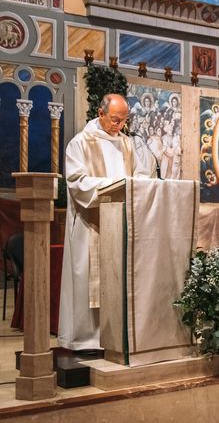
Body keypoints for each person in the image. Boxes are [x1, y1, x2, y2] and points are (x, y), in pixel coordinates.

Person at [59, 94, 154, 351]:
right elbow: (77, 182)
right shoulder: (80, 143)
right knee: (87, 278)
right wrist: (114, 187)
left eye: (123, 120)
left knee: (119, 279)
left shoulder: (128, 144)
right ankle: (85, 339)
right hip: (91, 224)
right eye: (114, 119)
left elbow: (141, 177)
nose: (119, 125)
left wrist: (137, 184)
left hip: (121, 224)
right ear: (100, 114)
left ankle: (116, 337)